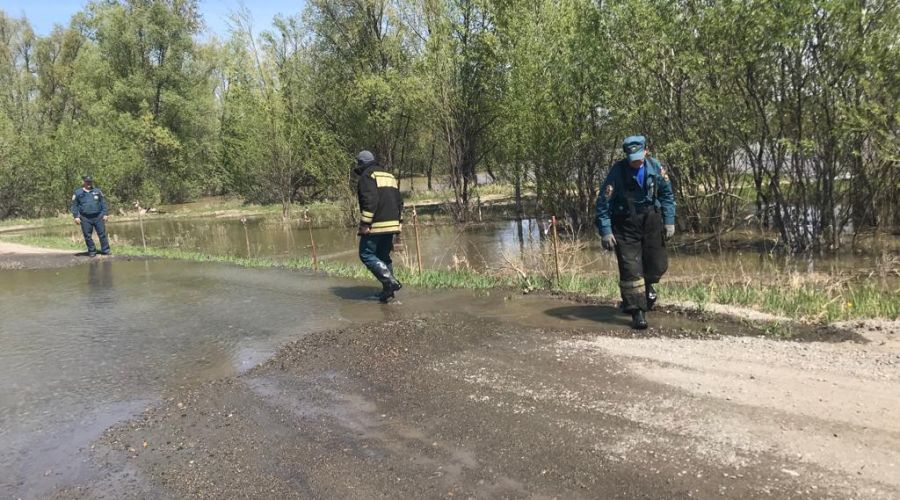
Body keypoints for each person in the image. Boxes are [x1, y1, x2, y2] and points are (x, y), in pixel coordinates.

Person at [596, 136, 676, 329]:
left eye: (639, 157)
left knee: (656, 264)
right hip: (625, 224)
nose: (636, 161)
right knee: (631, 269)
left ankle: (647, 290)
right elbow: (603, 203)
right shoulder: (617, 172)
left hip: (651, 220)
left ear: (646, 151)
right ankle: (637, 312)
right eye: (632, 158)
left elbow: (667, 194)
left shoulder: (655, 167)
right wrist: (605, 231)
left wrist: (669, 221)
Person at [354, 150, 404, 303]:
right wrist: (399, 223)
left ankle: (390, 282)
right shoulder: (388, 175)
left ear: (361, 163)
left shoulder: (367, 176)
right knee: (383, 256)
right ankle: (388, 291)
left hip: (376, 224)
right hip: (392, 223)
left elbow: (370, 201)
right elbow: (399, 201)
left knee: (366, 254)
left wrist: (365, 224)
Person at [70, 175, 111, 257]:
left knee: (102, 234)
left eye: (90, 182)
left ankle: (105, 250)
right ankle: (92, 251)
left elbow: (103, 203)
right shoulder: (78, 192)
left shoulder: (97, 191)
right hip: (85, 217)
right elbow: (74, 206)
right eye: (87, 182)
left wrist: (105, 214)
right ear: (83, 182)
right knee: (87, 235)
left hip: (98, 216)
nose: (89, 183)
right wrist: (76, 216)